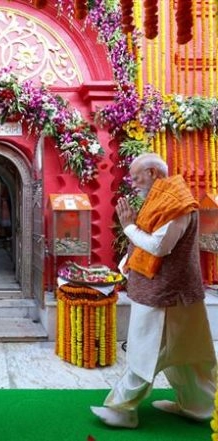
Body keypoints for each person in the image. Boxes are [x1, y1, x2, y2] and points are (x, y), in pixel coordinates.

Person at [90, 152, 217, 428]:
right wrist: (127, 264)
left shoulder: (177, 203)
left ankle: (123, 410)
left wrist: (127, 227)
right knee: (188, 355)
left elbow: (160, 246)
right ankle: (200, 406)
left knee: (144, 352)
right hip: (173, 294)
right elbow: (147, 239)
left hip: (165, 295)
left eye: (137, 177)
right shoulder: (162, 199)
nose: (133, 183)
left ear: (154, 174)